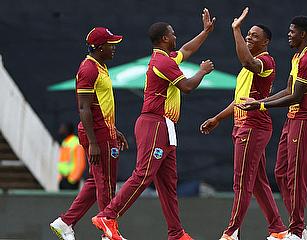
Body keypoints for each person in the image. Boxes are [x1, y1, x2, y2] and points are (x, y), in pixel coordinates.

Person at [91, 8, 216, 240]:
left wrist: (206, 32)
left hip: (165, 126)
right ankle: (108, 216)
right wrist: (202, 71)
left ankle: (176, 233)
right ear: (165, 38)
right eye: (173, 34)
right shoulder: (163, 62)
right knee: (144, 173)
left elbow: (187, 49)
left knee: (169, 184)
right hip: (155, 123)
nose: (176, 37)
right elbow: (187, 87)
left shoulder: (166, 58)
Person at [200, 7, 287, 240]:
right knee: (257, 182)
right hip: (244, 126)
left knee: (241, 181)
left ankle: (231, 233)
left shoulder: (265, 61)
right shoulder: (248, 67)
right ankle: (278, 230)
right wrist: (218, 118)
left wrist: (236, 30)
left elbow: (248, 61)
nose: (249, 37)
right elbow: (239, 100)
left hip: (253, 127)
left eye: (254, 36)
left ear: (266, 42)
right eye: (247, 34)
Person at [237, 15, 307, 240]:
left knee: (296, 175)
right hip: (293, 118)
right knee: (281, 173)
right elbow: (287, 90)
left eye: (292, 31)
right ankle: (300, 228)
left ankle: (295, 231)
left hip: (305, 120)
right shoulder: (298, 56)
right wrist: (260, 103)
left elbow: (296, 96)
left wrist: (261, 104)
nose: (288, 34)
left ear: (303, 34)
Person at [50, 27, 129, 240]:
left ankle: (66, 222)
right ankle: (108, 232)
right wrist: (94, 142)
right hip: (97, 134)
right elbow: (83, 107)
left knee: (96, 181)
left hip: (104, 130)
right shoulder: (89, 69)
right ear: (100, 47)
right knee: (106, 182)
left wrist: (114, 130)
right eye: (111, 45)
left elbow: (99, 105)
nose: (114, 48)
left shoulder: (99, 66)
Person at [57, 123, 86, 190]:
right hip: (63, 179)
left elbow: (81, 163)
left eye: (63, 128)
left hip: (71, 181)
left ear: (68, 130)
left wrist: (72, 179)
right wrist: (60, 178)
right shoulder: (65, 142)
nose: (60, 130)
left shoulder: (76, 142)